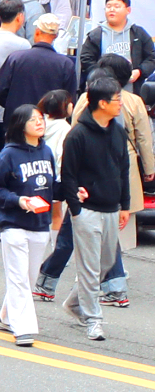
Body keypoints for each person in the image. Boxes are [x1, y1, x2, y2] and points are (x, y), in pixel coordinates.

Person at [60, 75, 135, 343]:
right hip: (87, 210)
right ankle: (94, 319)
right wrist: (76, 209)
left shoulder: (117, 130)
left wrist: (125, 205)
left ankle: (74, 302)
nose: (121, 104)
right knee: (90, 267)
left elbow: (123, 169)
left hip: (112, 207)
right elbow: (68, 175)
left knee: (106, 262)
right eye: (117, 100)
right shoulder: (78, 135)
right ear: (101, 103)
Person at [0, 101, 60, 346]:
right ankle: (23, 328)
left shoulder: (46, 151)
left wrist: (73, 193)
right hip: (13, 223)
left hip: (40, 223)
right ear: (21, 125)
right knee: (17, 277)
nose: (40, 123)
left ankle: (6, 316)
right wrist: (19, 201)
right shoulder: (9, 154)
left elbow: (52, 186)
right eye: (33, 120)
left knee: (27, 279)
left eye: (41, 118)